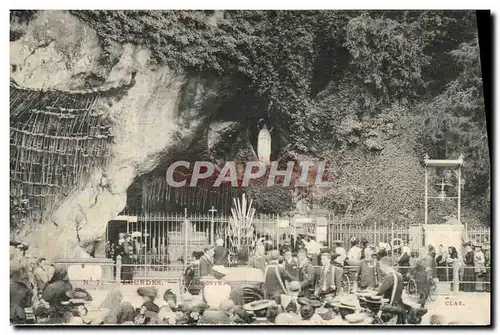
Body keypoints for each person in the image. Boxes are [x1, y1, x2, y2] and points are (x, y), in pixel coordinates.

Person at [376, 257, 404, 324]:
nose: (380, 268)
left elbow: (379, 292)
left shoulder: (389, 277)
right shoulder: (399, 275)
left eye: (381, 266)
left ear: (384, 265)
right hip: (398, 306)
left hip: (389, 308)